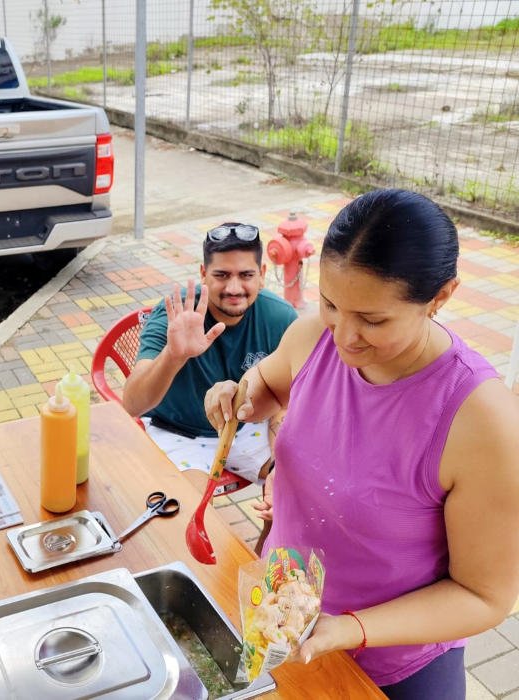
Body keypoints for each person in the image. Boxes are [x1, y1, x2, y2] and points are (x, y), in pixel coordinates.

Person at [206, 189, 519, 698]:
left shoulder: (481, 420)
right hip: (284, 619)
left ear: (441, 297)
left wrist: (347, 627)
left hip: (398, 667)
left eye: (373, 320)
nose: (344, 337)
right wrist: (234, 396)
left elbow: (484, 596)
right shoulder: (314, 336)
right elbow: (266, 386)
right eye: (331, 303)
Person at [122, 222, 298, 489]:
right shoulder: (177, 313)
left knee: (293, 491)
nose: (234, 288)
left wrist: (279, 464)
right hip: (179, 431)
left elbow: (285, 401)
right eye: (222, 275)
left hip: (246, 427)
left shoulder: (280, 317)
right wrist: (173, 355)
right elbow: (132, 404)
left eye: (246, 275)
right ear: (204, 274)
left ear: (262, 274)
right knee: (188, 512)